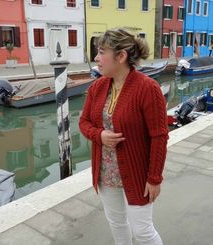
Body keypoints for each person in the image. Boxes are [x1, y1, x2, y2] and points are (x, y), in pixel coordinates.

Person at [79, 28, 169, 245]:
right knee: (117, 225)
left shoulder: (148, 88)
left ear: (121, 56)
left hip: (137, 174)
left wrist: (154, 178)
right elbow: (83, 122)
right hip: (106, 173)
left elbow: (159, 136)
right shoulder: (98, 87)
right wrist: (99, 135)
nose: (96, 59)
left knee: (143, 232)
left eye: (101, 53)